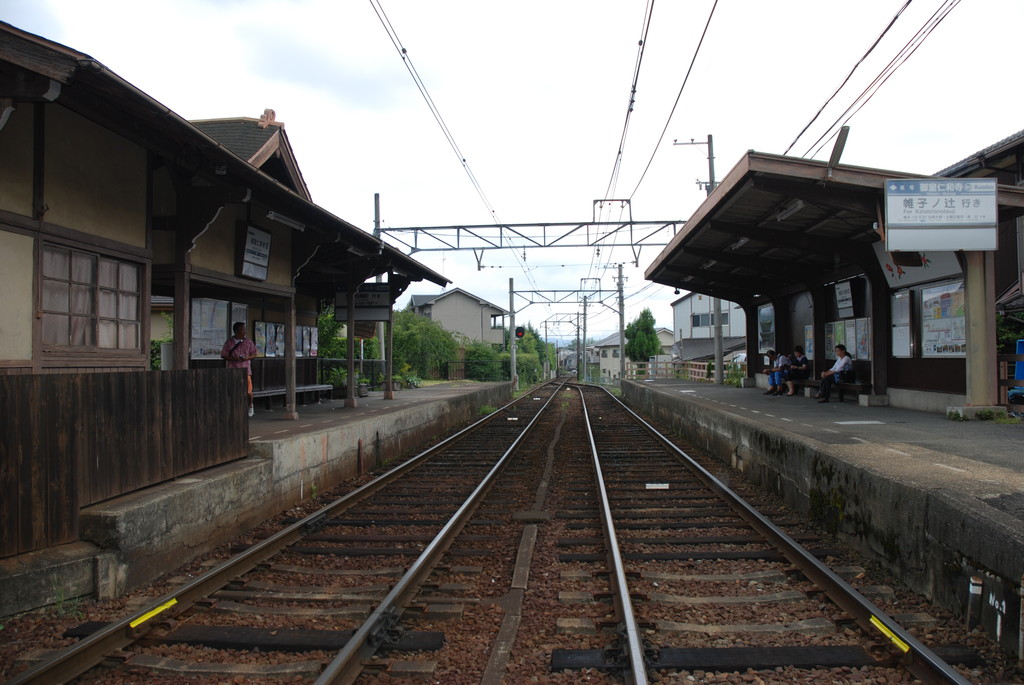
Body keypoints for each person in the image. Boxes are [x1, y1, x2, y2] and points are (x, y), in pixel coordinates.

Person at [222, 321, 259, 417]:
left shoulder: (248, 342)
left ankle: (250, 406)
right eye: (243, 329)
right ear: (237, 330)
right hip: (232, 370)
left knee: (248, 391)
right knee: (232, 390)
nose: (245, 331)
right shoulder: (229, 342)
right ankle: (234, 409)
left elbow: (254, 354)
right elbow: (223, 355)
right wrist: (234, 358)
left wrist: (246, 358)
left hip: (246, 370)